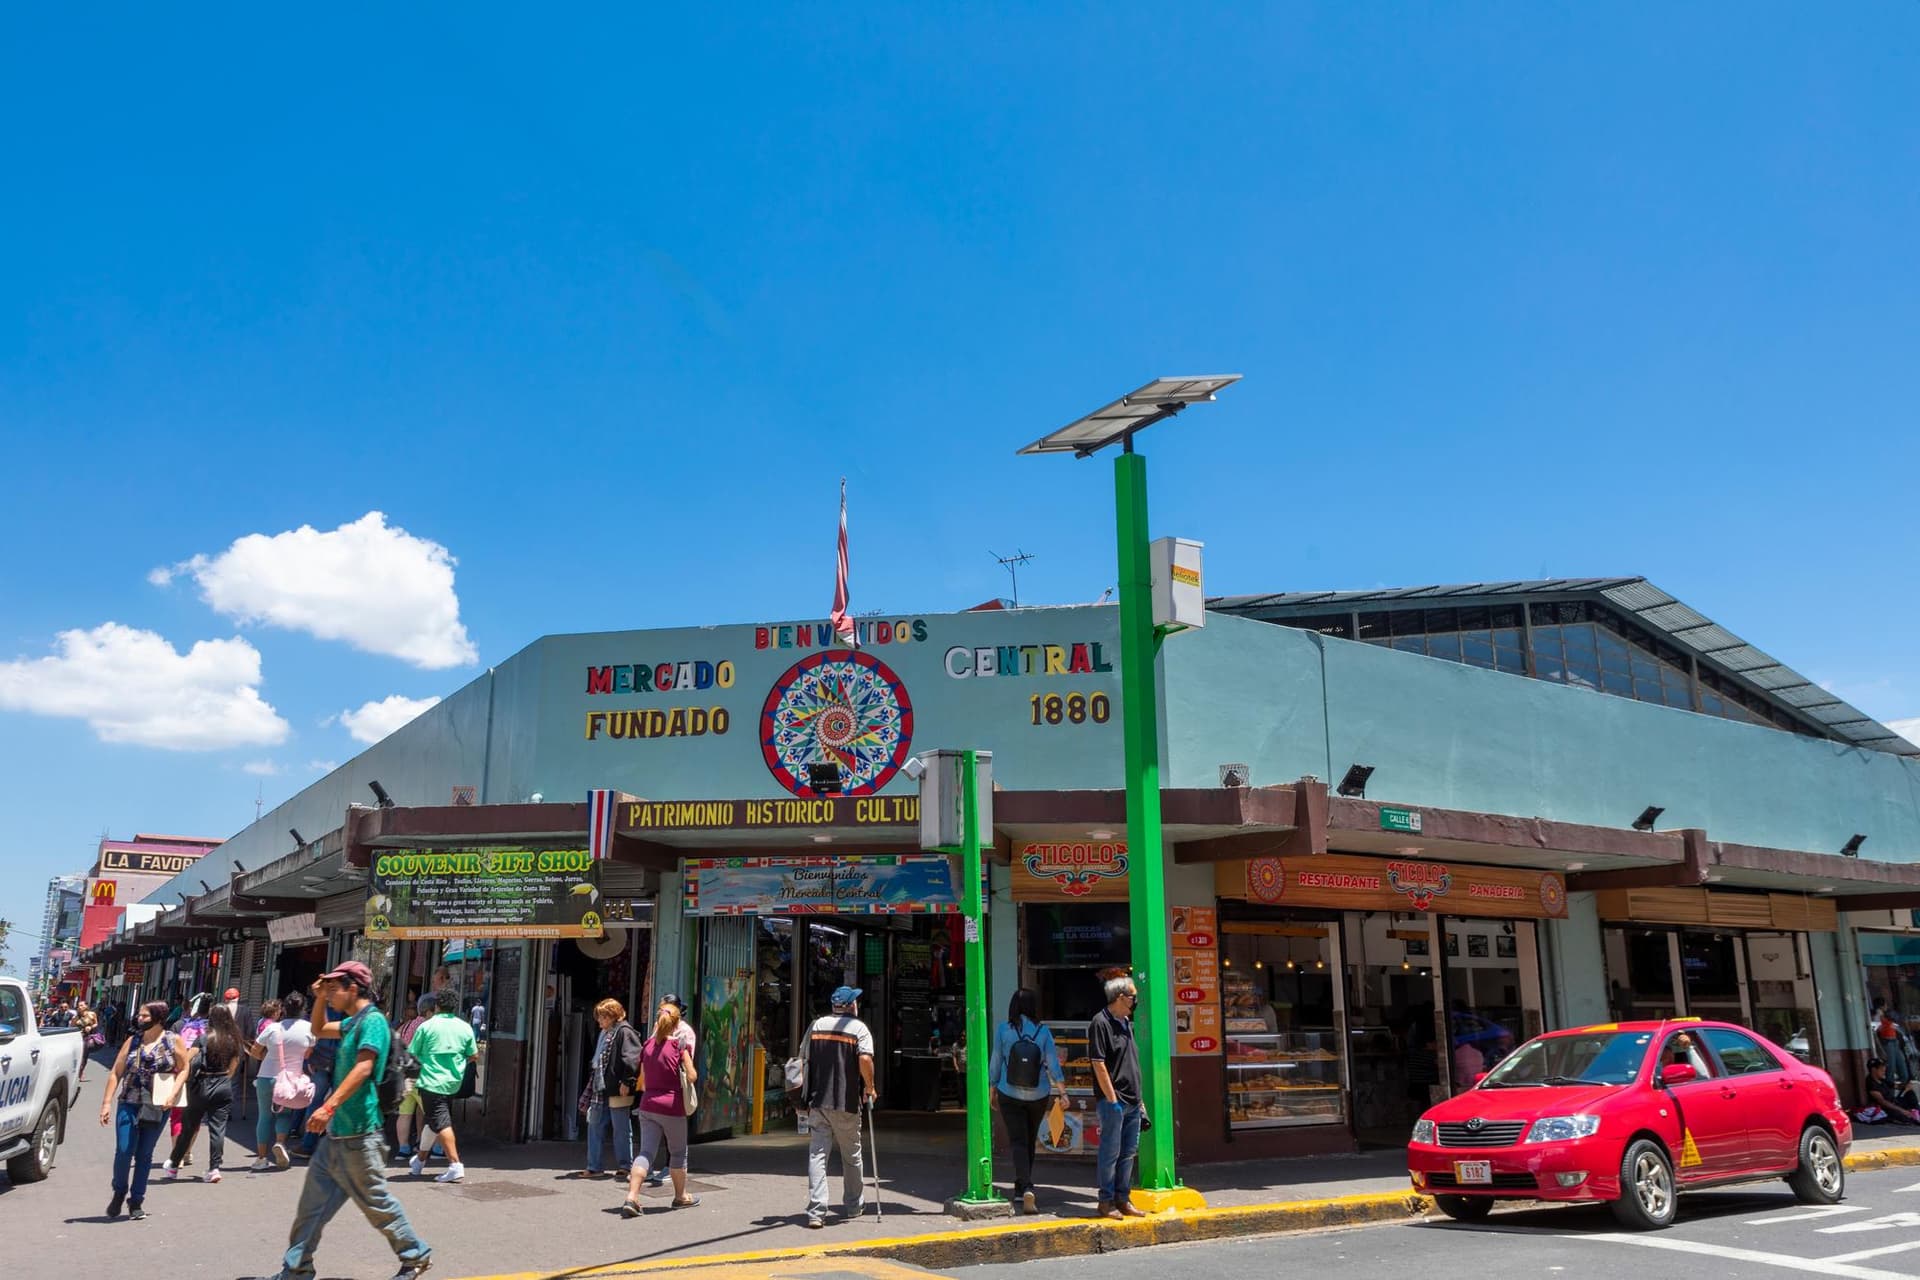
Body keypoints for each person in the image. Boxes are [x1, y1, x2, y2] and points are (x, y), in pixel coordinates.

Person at [269, 961, 431, 1280]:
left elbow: (363, 1068)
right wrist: (317, 999)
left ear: (352, 988)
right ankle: (297, 1269)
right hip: (338, 1136)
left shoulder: (372, 1022)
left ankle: (415, 1255)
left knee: (376, 1202)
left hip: (360, 1134)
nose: (329, 995)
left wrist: (328, 1107)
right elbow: (318, 1030)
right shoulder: (352, 1022)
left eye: (333, 989)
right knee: (310, 1209)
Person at [98, 1000, 193, 1220]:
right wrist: (106, 1102)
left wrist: (174, 1093)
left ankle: (137, 1200)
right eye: (139, 1015)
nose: (139, 1019)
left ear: (158, 1018)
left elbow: (184, 1067)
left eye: (144, 1016)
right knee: (124, 1150)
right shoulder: (132, 1041)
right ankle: (119, 1191)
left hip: (157, 1104)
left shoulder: (173, 1041)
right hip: (129, 1101)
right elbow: (116, 1072)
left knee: (144, 1154)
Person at [794, 984, 874, 1229]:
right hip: (845, 1102)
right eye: (855, 1001)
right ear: (851, 1005)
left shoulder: (816, 1026)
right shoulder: (858, 1028)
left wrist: (803, 1097)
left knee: (818, 1155)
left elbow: (803, 1059)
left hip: (818, 1101)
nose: (857, 1004)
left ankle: (817, 1211)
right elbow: (864, 1058)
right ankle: (853, 1205)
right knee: (851, 1156)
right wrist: (869, 1086)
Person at [618, 998, 700, 1217]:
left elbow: (642, 1079)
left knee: (645, 1152)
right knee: (678, 1153)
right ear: (676, 1023)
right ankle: (681, 1196)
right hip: (671, 1107)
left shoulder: (647, 1046)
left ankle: (632, 1197)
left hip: (648, 1104)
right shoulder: (678, 1046)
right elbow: (692, 1076)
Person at [988, 988, 1066, 1214]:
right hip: (1038, 1094)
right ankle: (1022, 1186)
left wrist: (992, 1088)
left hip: (1009, 1093)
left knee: (1018, 1141)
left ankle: (1026, 1185)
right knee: (1029, 1139)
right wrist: (1063, 1092)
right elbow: (1053, 1064)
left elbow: (995, 1061)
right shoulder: (1043, 1031)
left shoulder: (1004, 1029)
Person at [163, 1003, 245, 1183]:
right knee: (218, 1129)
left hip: (201, 1085)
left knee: (188, 1127)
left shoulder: (203, 1038)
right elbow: (233, 1066)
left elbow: (187, 1058)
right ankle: (214, 1168)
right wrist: (224, 1078)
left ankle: (174, 1166)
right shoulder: (234, 1041)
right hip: (223, 1085)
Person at [1089, 975, 1146, 1220]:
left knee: (1129, 1152)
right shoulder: (1099, 1022)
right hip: (1114, 1101)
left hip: (1133, 1100)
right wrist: (1112, 1100)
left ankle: (1123, 1198)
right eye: (1133, 997)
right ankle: (1106, 1200)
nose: (1136, 1002)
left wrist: (1140, 1100)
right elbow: (1098, 1063)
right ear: (1121, 998)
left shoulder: (1126, 1024)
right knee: (1110, 1152)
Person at [406, 992, 479, 1183]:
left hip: (430, 1081)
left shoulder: (427, 1027)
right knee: (433, 1121)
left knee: (441, 1122)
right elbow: (473, 1055)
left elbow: (412, 1053)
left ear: (437, 1005)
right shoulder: (464, 1027)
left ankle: (455, 1164)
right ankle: (419, 1161)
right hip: (453, 1082)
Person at [249, 992, 315, 1172]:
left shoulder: (273, 1028)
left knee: (264, 1116)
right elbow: (308, 1054)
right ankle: (280, 1143)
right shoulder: (310, 1029)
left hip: (266, 1076)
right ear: (304, 1009)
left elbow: (255, 1051)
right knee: (284, 1114)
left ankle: (262, 1158)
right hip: (290, 1081)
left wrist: (268, 1056)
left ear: (284, 1009)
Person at [578, 998, 642, 1180]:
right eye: (599, 1017)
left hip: (616, 1087)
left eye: (603, 1017)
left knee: (621, 1127)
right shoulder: (605, 1033)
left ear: (613, 1016)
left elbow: (632, 1058)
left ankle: (625, 1166)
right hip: (600, 1087)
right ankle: (594, 1166)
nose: (599, 1021)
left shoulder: (624, 1032)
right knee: (595, 1125)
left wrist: (627, 1082)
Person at [641, 994, 697, 1187]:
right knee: (678, 1149)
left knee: (648, 1149)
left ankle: (635, 1188)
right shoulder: (658, 1033)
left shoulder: (684, 1032)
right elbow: (691, 1072)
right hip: (669, 1099)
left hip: (653, 1097)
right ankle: (680, 1195)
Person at [392, 994, 435, 1161]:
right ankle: (435, 1148)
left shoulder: (404, 1026)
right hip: (420, 1075)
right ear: (430, 1011)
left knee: (404, 1114)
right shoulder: (426, 1026)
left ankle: (403, 1148)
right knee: (433, 1114)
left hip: (404, 1075)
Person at [1865, 1058, 1920, 1125]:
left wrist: (1906, 1086)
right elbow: (1883, 1102)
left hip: (1894, 1102)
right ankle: (1912, 1117)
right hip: (1887, 1109)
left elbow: (1896, 1086)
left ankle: (1917, 1112)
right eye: (1881, 1069)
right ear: (1873, 1070)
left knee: (1910, 1093)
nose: (1884, 1071)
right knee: (1906, 1118)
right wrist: (1902, 1110)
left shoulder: (1882, 1079)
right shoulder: (1871, 1084)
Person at [75, 1001, 99, 1082]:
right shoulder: (77, 1015)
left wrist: (91, 1027)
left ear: (86, 1006)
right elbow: (72, 1025)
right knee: (76, 1055)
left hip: (86, 1037)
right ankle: (75, 1072)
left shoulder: (92, 1014)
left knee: (84, 1056)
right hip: (77, 1037)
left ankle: (81, 1072)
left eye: (81, 1005)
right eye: (78, 1005)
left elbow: (96, 1023)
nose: (79, 1007)